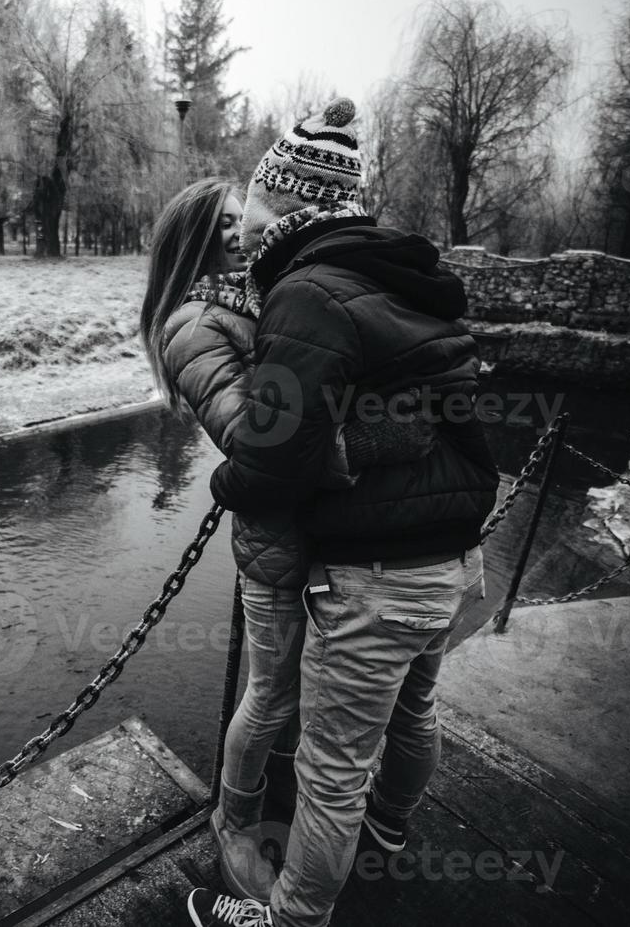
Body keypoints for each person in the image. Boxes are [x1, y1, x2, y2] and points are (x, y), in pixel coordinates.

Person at [183, 99, 498, 927]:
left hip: (378, 578)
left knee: (330, 773)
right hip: (456, 557)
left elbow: (272, 457)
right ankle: (392, 832)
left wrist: (227, 487)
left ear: (283, 200)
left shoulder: (307, 294)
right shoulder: (400, 281)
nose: (240, 224)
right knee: (416, 711)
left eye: (251, 200)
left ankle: (289, 918)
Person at [140, 178, 438, 902]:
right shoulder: (192, 323)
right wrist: (376, 438)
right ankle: (233, 820)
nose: (248, 235)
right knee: (271, 694)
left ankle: (303, 808)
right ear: (196, 244)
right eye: (229, 226)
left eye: (248, 220)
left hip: (336, 534)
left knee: (315, 696)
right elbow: (255, 443)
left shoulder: (268, 297)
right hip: (278, 538)